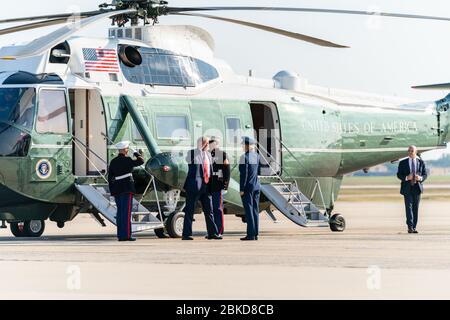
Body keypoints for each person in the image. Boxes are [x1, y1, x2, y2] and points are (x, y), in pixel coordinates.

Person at [182, 136, 221, 241]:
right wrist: (199, 149)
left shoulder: (208, 154)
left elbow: (210, 170)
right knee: (190, 211)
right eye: (207, 143)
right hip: (194, 186)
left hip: (206, 186)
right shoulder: (192, 153)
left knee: (209, 211)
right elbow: (189, 160)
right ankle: (186, 234)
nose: (209, 145)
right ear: (203, 143)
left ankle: (213, 233)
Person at [108, 141, 144, 242]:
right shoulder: (127, 160)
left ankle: (120, 235)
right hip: (126, 189)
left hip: (117, 190)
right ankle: (126, 235)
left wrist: (112, 191)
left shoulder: (113, 161)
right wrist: (136, 153)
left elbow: (110, 177)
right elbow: (141, 161)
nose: (128, 150)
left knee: (120, 213)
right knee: (126, 213)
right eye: (127, 148)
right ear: (125, 150)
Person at [397, 145, 428, 234]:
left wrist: (420, 178)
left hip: (417, 188)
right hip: (407, 188)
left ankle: (414, 227)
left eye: (412, 151)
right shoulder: (403, 163)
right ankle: (410, 227)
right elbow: (399, 175)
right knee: (408, 207)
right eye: (409, 151)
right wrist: (407, 177)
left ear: (416, 151)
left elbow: (425, 174)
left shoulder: (421, 162)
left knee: (415, 208)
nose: (410, 152)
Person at [239, 136, 261, 241]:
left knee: (249, 211)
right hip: (256, 185)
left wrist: (242, 188)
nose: (242, 146)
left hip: (248, 187)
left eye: (243, 144)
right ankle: (255, 233)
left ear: (247, 146)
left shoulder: (244, 157)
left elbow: (244, 174)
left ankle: (250, 235)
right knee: (255, 210)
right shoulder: (256, 156)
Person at [209, 136, 231, 236]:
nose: (210, 145)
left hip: (218, 185)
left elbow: (227, 171)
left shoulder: (222, 154)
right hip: (210, 185)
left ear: (216, 144)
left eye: (212, 143)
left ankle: (219, 231)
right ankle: (213, 230)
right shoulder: (209, 154)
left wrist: (225, 186)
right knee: (211, 209)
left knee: (218, 208)